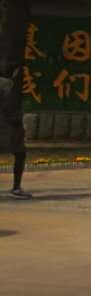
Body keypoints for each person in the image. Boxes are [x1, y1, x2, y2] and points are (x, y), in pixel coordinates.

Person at [2, 65, 32, 199]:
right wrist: (17, 120)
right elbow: (9, 107)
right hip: (7, 126)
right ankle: (16, 187)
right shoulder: (7, 84)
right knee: (20, 154)